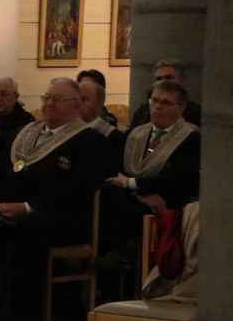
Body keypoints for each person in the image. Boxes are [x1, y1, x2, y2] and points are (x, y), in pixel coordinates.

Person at [0, 77, 107, 321]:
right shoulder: (22, 133)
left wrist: (26, 207)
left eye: (57, 99)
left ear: (76, 105)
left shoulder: (90, 140)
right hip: (10, 210)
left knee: (32, 224)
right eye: (46, 98)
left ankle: (26, 313)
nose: (49, 104)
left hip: (61, 218)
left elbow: (77, 190)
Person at [104, 79, 201, 237]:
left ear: (181, 108)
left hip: (166, 204)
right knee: (107, 196)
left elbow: (176, 181)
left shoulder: (191, 138)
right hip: (134, 198)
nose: (158, 106)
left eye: (166, 103)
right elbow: (112, 171)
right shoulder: (135, 134)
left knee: (123, 212)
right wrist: (139, 194)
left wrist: (129, 183)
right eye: (154, 100)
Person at [78, 79, 125, 178]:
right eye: (75, 99)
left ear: (100, 103)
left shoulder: (114, 137)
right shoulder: (66, 130)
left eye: (83, 99)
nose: (77, 104)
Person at [152, 59, 204, 126]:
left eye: (168, 78)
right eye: (159, 79)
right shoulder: (144, 110)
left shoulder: (195, 112)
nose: (163, 82)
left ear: (181, 81)